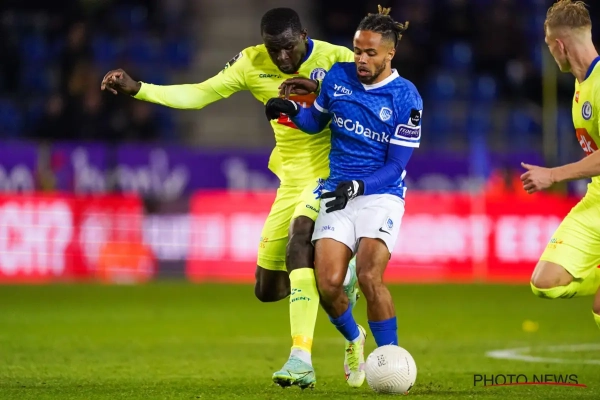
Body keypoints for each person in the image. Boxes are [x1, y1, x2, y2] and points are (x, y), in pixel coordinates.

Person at [100, 8, 358, 389]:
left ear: (304, 35)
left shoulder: (337, 58)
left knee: (298, 243)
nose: (282, 57)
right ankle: (337, 281)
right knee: (266, 289)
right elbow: (199, 94)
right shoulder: (251, 63)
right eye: (273, 49)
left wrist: (325, 93)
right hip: (290, 181)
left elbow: (374, 99)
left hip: (330, 173)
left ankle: (301, 358)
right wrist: (140, 89)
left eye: (288, 47)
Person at [265, 5, 422, 388]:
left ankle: (390, 361)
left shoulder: (406, 97)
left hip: (380, 196)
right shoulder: (338, 77)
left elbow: (396, 165)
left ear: (390, 53)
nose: (361, 59)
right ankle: (354, 338)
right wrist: (290, 111)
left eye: (370, 53)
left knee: (368, 275)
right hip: (337, 192)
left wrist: (359, 186)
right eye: (357, 51)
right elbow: (315, 122)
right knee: (329, 284)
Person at [520, 0, 600, 331]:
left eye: (549, 46)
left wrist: (553, 174)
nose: (550, 53)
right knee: (545, 282)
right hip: (597, 200)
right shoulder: (581, 85)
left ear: (560, 45)